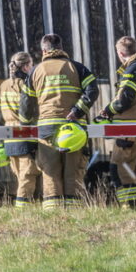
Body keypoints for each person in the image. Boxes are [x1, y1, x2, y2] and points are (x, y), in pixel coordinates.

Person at [24, 34, 98, 209]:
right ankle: (75, 210)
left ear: (44, 50)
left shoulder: (36, 70)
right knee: (73, 169)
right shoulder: (77, 68)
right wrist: (77, 111)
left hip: (46, 128)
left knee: (50, 170)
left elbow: (26, 103)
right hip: (73, 128)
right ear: (62, 47)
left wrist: (26, 122)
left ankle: (53, 212)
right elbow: (92, 90)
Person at [98, 36, 136, 207]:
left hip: (128, 130)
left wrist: (107, 111)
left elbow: (124, 99)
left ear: (120, 52)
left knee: (119, 169)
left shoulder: (132, 69)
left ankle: (128, 206)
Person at [0, 51, 40, 208]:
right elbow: (32, 109)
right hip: (26, 136)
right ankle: (22, 210)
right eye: (32, 64)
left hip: (9, 137)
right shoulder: (27, 84)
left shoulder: (3, 85)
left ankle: (27, 208)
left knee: (21, 177)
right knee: (28, 175)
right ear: (26, 66)